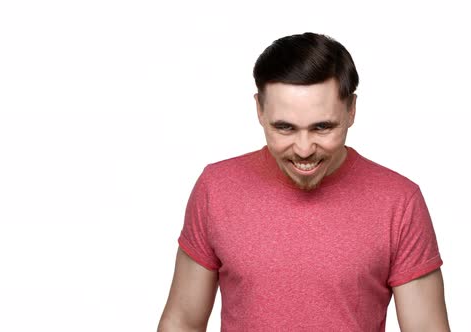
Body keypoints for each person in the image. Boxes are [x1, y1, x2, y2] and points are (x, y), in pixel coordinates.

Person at [158, 32, 450, 331]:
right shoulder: (216, 188)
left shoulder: (399, 201)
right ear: (259, 109)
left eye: (322, 127)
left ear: (351, 110)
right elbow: (182, 321)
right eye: (284, 128)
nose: (303, 149)